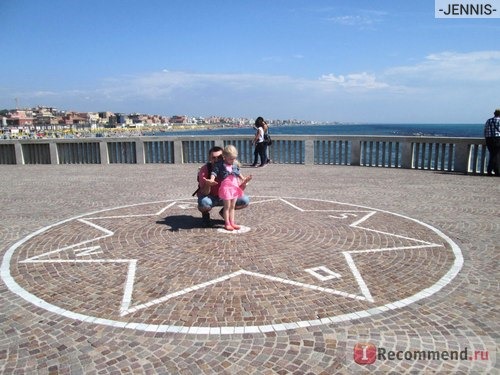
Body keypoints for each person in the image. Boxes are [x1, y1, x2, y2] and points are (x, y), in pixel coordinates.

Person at [196, 146, 250, 227]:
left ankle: (224, 213)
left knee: (244, 200)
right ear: (209, 158)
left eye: (219, 157)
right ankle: (205, 215)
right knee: (204, 203)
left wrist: (244, 183)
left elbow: (238, 188)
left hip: (226, 196)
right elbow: (204, 192)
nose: (217, 160)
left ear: (224, 157)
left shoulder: (231, 167)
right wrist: (208, 184)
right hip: (211, 197)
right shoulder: (205, 169)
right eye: (213, 158)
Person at [484, 109, 500, 176]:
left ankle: (493, 170)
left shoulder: (489, 120)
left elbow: (485, 130)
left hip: (489, 139)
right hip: (497, 138)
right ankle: (492, 171)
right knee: (495, 155)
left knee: (493, 154)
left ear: (494, 113)